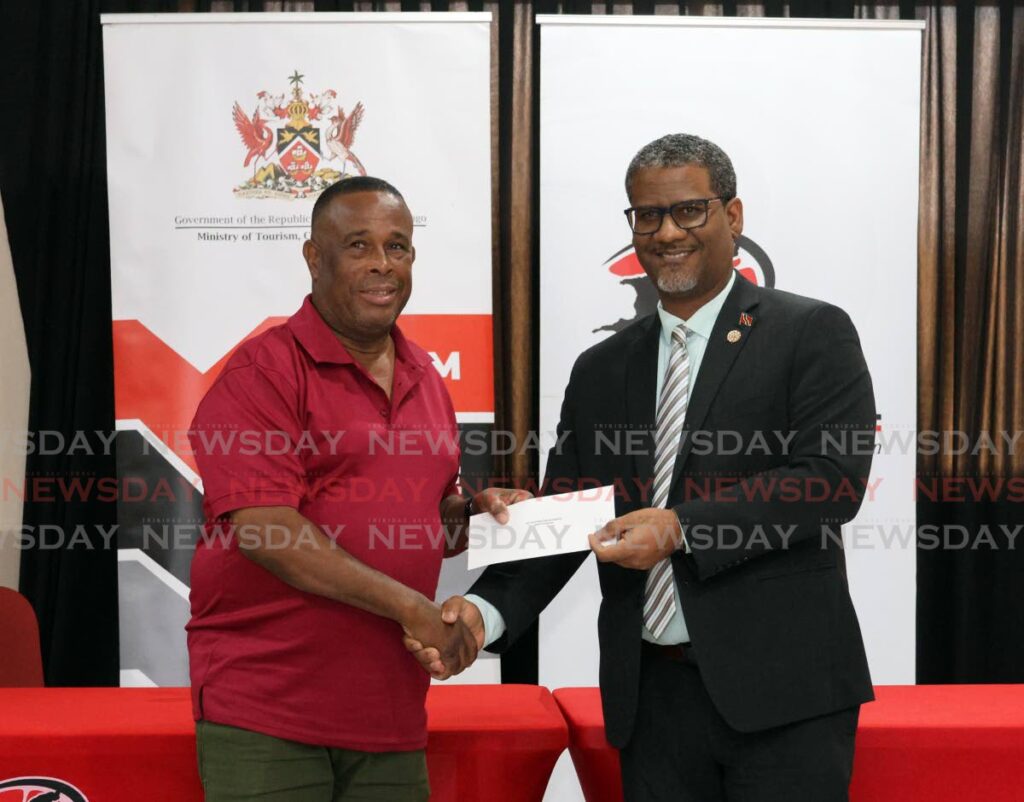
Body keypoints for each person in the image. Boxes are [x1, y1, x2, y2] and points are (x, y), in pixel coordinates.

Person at [410, 134, 876, 800]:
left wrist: (681, 527)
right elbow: (572, 512)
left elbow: (829, 481)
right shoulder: (603, 368)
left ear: (734, 216)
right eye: (647, 216)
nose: (667, 232)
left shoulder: (810, 332)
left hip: (785, 697)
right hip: (650, 700)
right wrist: (484, 612)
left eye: (689, 211)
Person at [186, 176, 526, 801]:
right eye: (358, 245)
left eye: (397, 247)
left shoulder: (427, 376)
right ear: (314, 257)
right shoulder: (261, 373)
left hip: (390, 713)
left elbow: (428, 519)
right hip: (270, 711)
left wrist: (477, 516)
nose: (381, 264)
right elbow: (268, 533)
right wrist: (412, 608)